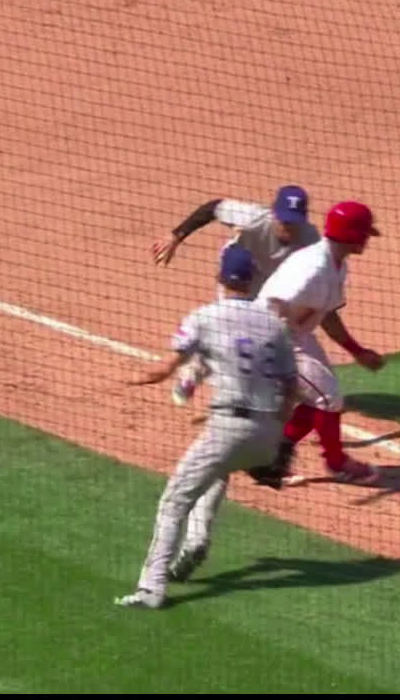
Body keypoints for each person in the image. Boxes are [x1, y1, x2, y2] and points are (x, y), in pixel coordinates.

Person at [116, 244, 299, 609]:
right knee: (217, 469)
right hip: (266, 433)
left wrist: (137, 378)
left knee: (173, 501)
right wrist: (276, 431)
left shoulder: (205, 316)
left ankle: (151, 590)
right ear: (252, 281)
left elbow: (168, 367)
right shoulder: (274, 325)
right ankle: (197, 539)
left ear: (220, 277)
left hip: (229, 425)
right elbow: (291, 386)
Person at [245, 199, 386, 488]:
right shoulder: (312, 270)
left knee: (322, 397)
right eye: (365, 234)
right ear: (352, 234)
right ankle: (337, 465)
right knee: (328, 398)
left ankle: (270, 455)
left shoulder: (336, 265)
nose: (367, 240)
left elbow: (327, 315)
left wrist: (357, 352)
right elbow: (275, 304)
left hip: (296, 334)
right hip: (273, 336)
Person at [151, 185, 321, 407]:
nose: (289, 228)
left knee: (271, 333)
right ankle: (192, 372)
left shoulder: (311, 239)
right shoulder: (253, 218)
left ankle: (268, 387)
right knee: (229, 328)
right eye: (285, 221)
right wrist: (176, 236)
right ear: (274, 213)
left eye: (295, 223)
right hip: (239, 269)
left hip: (274, 282)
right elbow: (213, 208)